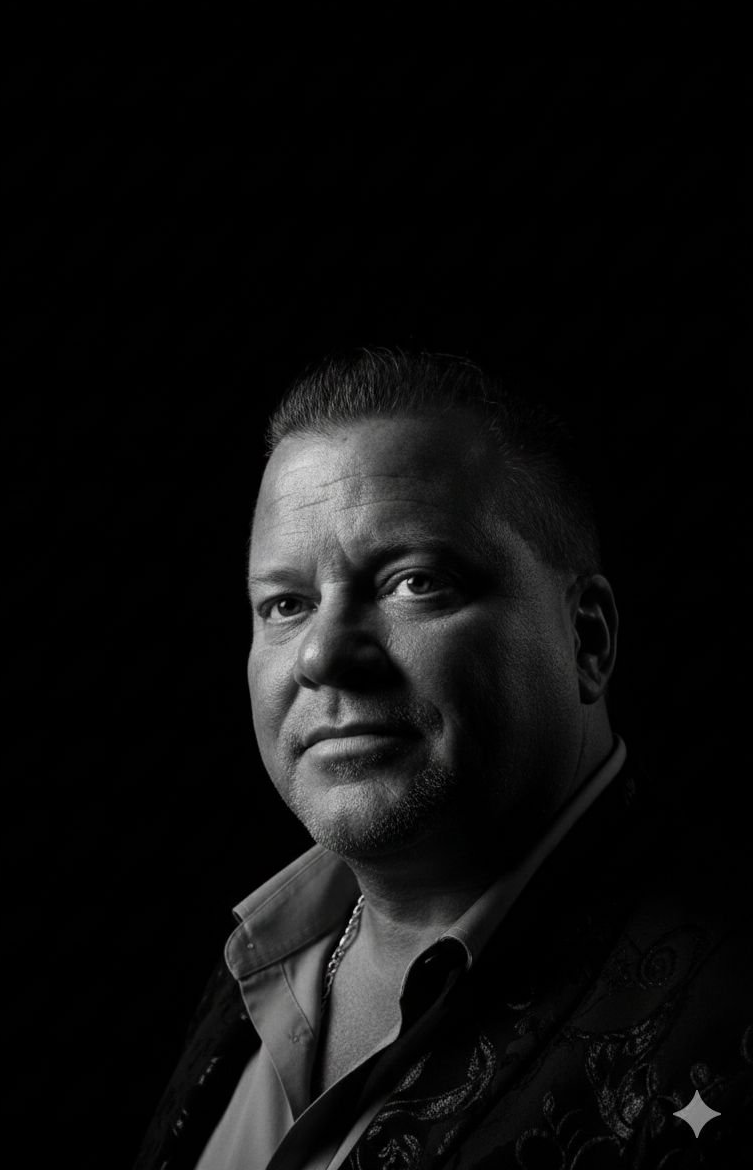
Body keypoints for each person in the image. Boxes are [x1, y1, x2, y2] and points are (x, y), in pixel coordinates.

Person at [134, 349, 750, 1169]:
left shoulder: (729, 1021)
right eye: (285, 604)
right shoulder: (249, 966)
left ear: (587, 639)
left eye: (415, 582)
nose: (322, 653)